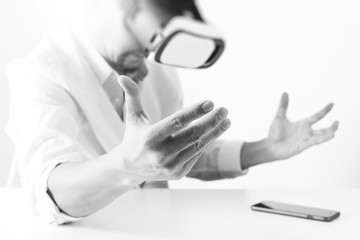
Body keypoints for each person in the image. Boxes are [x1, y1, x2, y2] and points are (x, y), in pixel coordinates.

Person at [5, 0, 338, 225]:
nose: (155, 48)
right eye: (157, 28)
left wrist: (264, 150)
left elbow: (173, 153)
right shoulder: (42, 71)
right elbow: (47, 191)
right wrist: (128, 165)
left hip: (157, 227)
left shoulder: (157, 70)